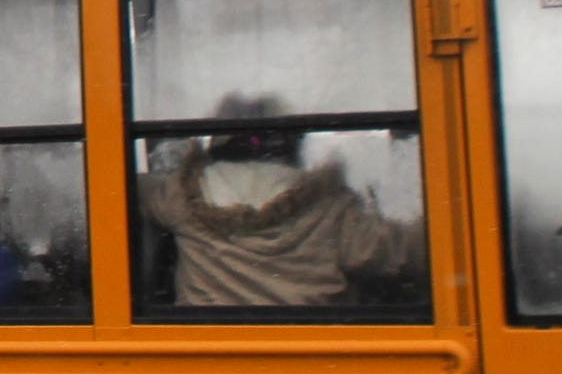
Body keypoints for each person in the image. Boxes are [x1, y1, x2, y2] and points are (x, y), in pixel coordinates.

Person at [138, 93, 424, 307]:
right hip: (307, 351)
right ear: (293, 140)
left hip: (210, 348)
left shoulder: (180, 195)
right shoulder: (329, 207)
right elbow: (402, 252)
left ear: (218, 140)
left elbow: (115, 190)